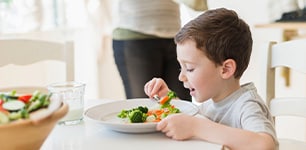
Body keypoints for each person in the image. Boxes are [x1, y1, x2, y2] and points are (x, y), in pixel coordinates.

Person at [144, 8, 278, 150]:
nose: (181, 77)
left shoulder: (247, 105)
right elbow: (190, 120)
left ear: (225, 69)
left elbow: (265, 144)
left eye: (189, 68)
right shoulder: (211, 104)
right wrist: (168, 100)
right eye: (180, 67)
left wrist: (196, 127)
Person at [112, 0, 207, 101]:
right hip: (135, 35)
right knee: (145, 104)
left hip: (174, 35)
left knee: (183, 104)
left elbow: (199, 4)